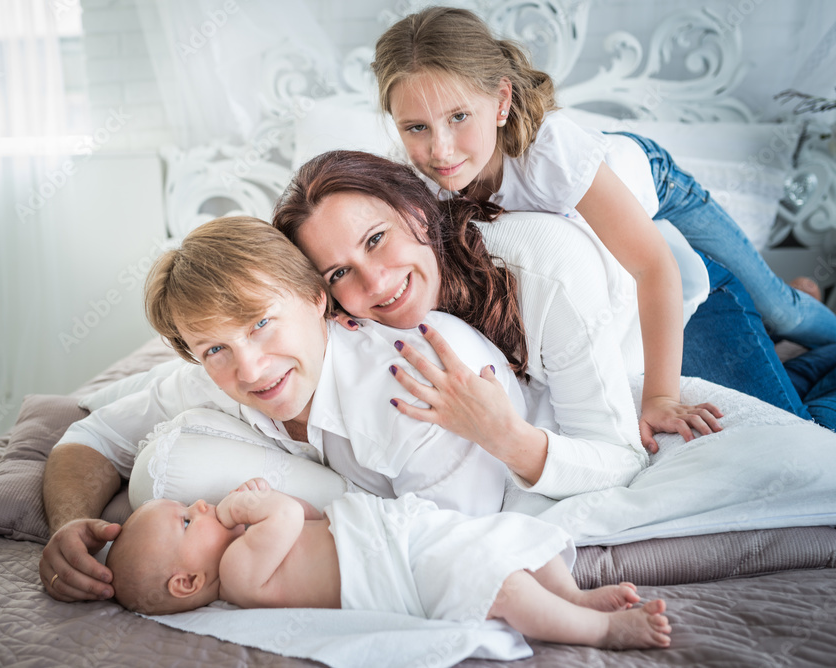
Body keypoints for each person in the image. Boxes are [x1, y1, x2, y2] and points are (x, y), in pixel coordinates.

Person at [368, 7, 836, 430]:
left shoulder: (551, 155)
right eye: (416, 127)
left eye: (459, 117)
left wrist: (660, 397)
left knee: (778, 307)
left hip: (651, 182)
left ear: (502, 102)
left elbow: (652, 266)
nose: (440, 150)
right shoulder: (419, 184)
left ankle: (808, 309)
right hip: (590, 201)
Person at [41, 215, 526, 603]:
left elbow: (459, 556)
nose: (250, 370)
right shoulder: (211, 381)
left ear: (317, 297)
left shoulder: (413, 388)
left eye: (261, 323)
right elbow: (92, 439)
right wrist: (68, 524)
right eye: (214, 349)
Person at [273, 148, 836, 478]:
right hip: (592, 343)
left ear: (418, 211)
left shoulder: (541, 268)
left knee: (807, 446)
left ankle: (799, 323)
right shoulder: (347, 318)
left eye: (375, 240)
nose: (373, 283)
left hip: (683, 318)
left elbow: (619, 455)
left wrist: (506, 438)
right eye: (338, 272)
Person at [106, 478, 672, 650]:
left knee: (515, 536)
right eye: (187, 520)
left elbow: (303, 514)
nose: (201, 505)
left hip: (405, 536)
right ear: (188, 582)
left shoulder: (239, 547)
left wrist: (274, 504)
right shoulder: (236, 574)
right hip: (397, 574)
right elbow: (284, 518)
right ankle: (600, 630)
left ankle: (570, 596)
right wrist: (262, 506)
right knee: (499, 587)